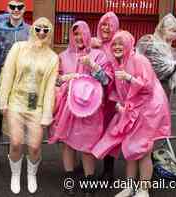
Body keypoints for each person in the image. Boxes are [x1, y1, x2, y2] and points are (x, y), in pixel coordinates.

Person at [92, 31, 171, 197]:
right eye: (114, 44)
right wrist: (119, 105)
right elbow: (118, 91)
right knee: (129, 148)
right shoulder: (117, 63)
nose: (117, 47)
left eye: (121, 43)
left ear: (128, 44)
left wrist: (129, 78)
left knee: (143, 149)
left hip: (149, 111)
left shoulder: (139, 60)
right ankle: (129, 187)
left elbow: (148, 87)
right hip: (132, 109)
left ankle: (143, 189)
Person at [48, 21, 111, 196]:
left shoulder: (98, 55)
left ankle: (89, 183)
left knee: (87, 147)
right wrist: (64, 78)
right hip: (67, 109)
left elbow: (106, 80)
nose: (78, 37)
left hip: (90, 110)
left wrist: (92, 65)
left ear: (88, 35)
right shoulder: (62, 56)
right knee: (68, 144)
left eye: (81, 33)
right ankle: (69, 183)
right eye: (75, 34)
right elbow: (54, 80)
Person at [0, 17, 58, 194]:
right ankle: (15, 175)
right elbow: (8, 73)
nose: (41, 32)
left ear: (49, 33)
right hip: (16, 101)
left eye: (45, 30)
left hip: (36, 107)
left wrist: (47, 114)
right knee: (16, 142)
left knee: (34, 146)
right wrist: (3, 101)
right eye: (38, 28)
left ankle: (32, 175)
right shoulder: (19, 48)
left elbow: (49, 89)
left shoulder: (53, 58)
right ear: (33, 29)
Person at [0, 0, 30, 174]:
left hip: (22, 84)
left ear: (24, 9)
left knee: (18, 124)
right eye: (13, 7)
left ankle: (16, 159)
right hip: (1, 82)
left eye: (20, 7)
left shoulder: (30, 31)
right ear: (7, 8)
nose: (16, 10)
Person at [136, 13, 176, 116]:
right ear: (163, 30)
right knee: (152, 119)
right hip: (153, 90)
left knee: (162, 118)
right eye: (172, 30)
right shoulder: (152, 44)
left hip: (165, 90)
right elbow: (161, 71)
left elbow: (169, 65)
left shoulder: (166, 47)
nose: (175, 34)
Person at [91, 11, 121, 181]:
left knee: (110, 133)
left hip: (112, 98)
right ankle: (89, 165)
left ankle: (108, 170)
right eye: (103, 24)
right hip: (93, 97)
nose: (105, 28)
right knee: (91, 131)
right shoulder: (94, 44)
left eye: (109, 25)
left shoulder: (118, 44)